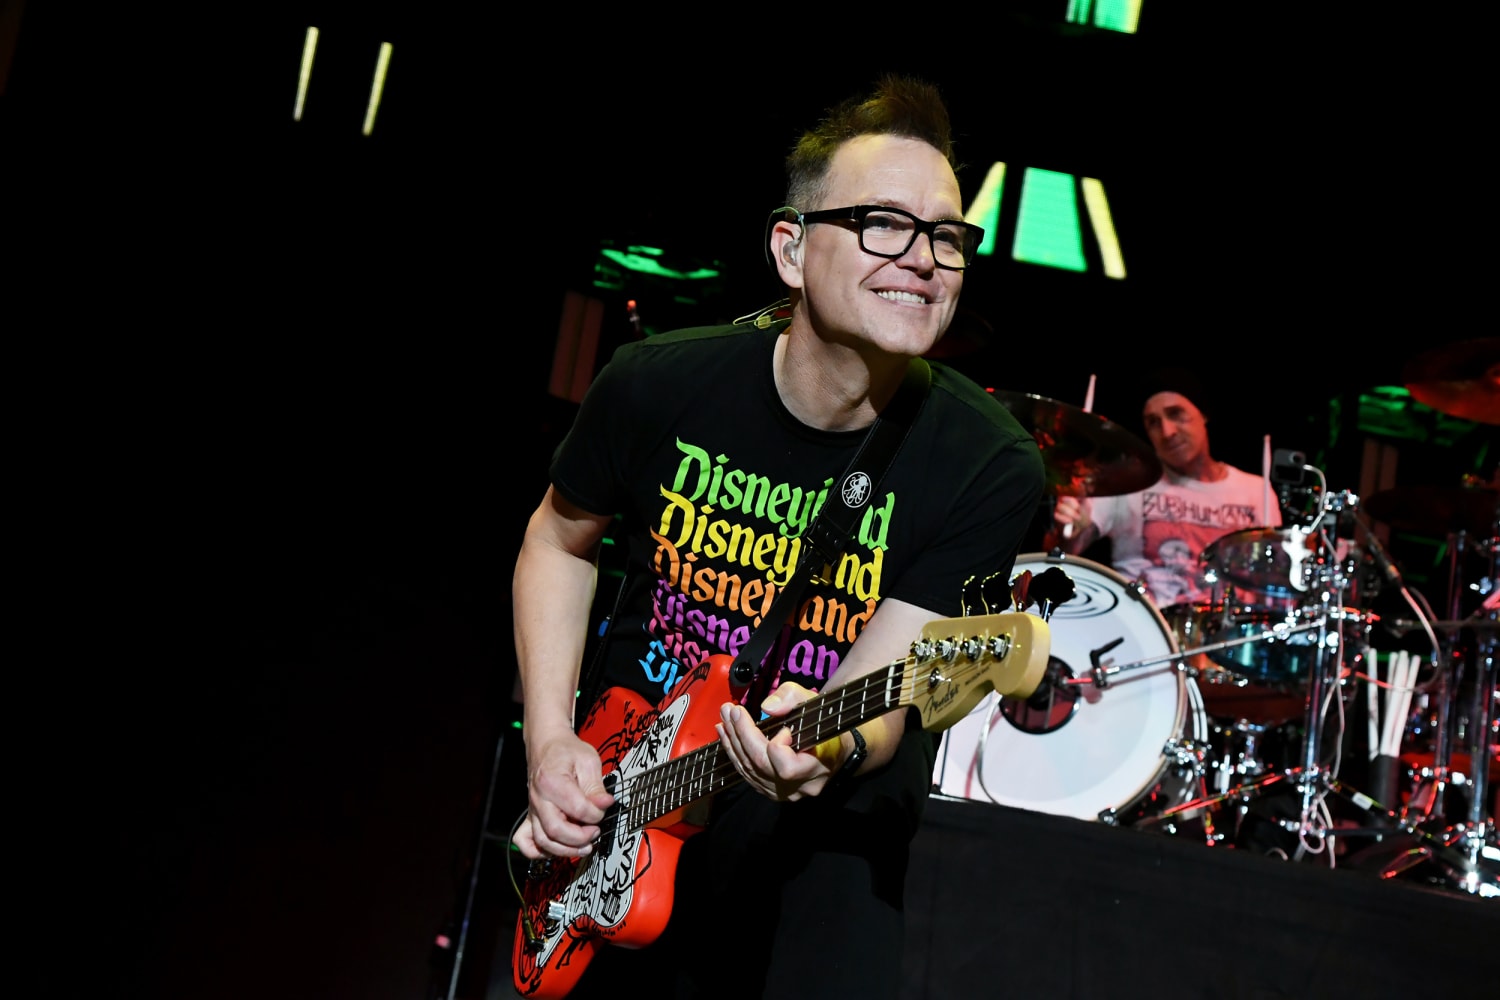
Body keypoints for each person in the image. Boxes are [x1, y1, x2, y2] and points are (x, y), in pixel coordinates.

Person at [509, 75, 1045, 999]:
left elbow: (886, 688)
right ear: (791, 250)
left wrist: (830, 745)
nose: (923, 258)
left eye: (948, 236)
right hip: (621, 798)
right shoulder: (657, 385)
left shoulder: (986, 464)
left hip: (822, 844)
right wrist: (553, 743)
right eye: (884, 223)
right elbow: (557, 543)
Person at [1050, 369, 1281, 608]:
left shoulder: (1255, 491)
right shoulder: (1127, 481)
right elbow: (1063, 551)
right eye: (1153, 423)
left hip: (1227, 633)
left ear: (1203, 414)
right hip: (1142, 630)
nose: (1167, 432)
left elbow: (1275, 578)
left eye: (1176, 415)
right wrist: (1068, 533)